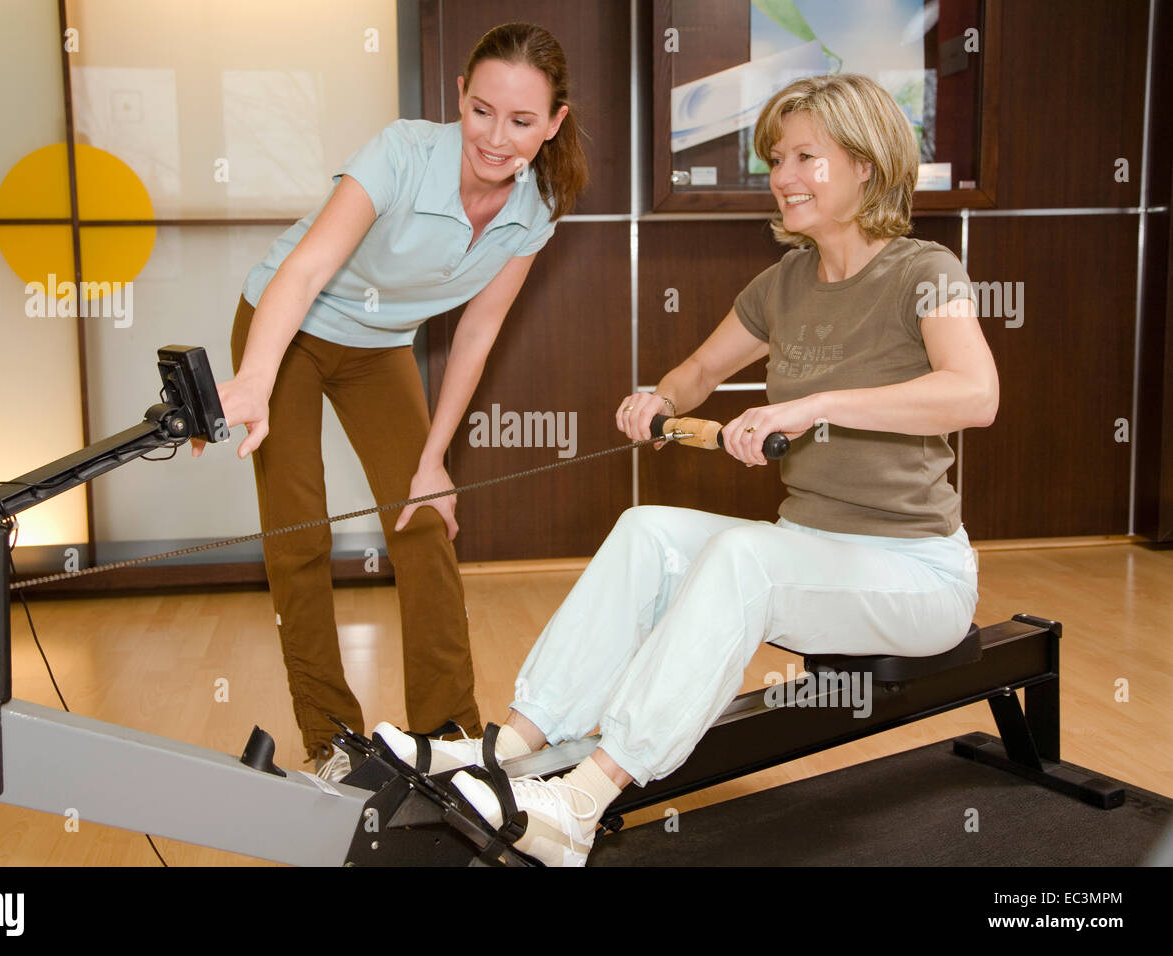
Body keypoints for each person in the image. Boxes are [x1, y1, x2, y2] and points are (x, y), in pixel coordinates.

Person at [375, 73, 999, 866]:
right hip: (811, 547)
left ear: (866, 168)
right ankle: (512, 747)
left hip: (917, 573)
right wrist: (657, 399)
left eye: (806, 156)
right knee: (648, 531)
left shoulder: (926, 269)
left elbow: (975, 395)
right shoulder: (785, 285)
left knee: (748, 558)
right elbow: (698, 373)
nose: (782, 176)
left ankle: (582, 801)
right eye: (776, 158)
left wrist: (813, 407)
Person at [193, 23, 589, 779]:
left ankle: (449, 737)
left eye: (522, 121)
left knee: (423, 520)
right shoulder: (403, 154)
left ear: (555, 123)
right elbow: (304, 272)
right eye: (481, 111)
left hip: (379, 348)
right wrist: (255, 379)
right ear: (460, 99)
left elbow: (477, 332)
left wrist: (435, 459)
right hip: (290, 327)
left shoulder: (539, 201)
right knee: (299, 532)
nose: (496, 138)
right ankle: (332, 741)